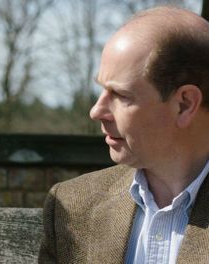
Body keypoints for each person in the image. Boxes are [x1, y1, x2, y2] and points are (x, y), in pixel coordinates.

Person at [39, 6, 209, 264]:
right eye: (102, 90)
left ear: (184, 104)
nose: (97, 111)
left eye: (121, 95)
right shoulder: (72, 207)